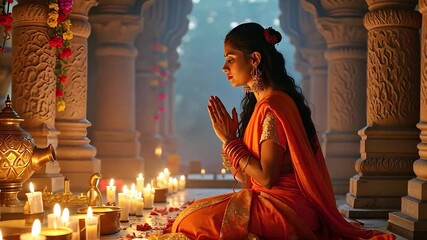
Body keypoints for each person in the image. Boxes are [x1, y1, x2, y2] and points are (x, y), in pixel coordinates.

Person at [163, 22, 396, 239]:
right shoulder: (262, 105)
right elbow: (250, 178)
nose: (224, 67)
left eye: (231, 59)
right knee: (191, 213)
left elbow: (266, 177)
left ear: (254, 59)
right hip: (273, 202)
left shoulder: (273, 107)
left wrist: (231, 141)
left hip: (285, 209)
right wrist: (232, 143)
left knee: (193, 222)